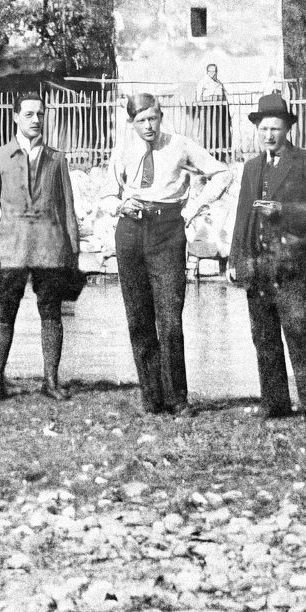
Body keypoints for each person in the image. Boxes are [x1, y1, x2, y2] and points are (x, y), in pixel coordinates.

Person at [101, 94, 231, 413]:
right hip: (130, 231)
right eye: (141, 120)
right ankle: (151, 396)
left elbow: (222, 173)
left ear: (161, 117)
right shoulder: (122, 151)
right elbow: (105, 195)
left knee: (170, 319)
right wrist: (118, 205)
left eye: (153, 118)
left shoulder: (180, 145)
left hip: (168, 230)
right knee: (138, 317)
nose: (148, 126)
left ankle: (177, 398)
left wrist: (196, 206)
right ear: (131, 122)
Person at [228, 92, 306, 421]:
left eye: (275, 129)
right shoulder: (251, 168)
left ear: (287, 129)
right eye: (263, 130)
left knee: (298, 331)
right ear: (256, 131)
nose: (269, 135)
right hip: (257, 263)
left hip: (292, 263)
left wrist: (284, 211)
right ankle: (275, 404)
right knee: (264, 335)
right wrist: (234, 259)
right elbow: (243, 215)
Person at [0, 93, 82, 404]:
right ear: (15, 117)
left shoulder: (56, 158)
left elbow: (68, 208)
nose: (35, 120)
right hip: (10, 248)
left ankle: (51, 380)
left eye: (40, 114)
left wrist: (72, 253)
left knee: (51, 313)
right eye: (29, 114)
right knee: (3, 312)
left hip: (50, 248)